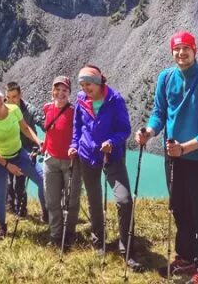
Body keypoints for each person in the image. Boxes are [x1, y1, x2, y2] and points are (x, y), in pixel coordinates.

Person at [136, 31, 198, 284]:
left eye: (186, 48)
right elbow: (159, 113)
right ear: (172, 52)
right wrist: (150, 131)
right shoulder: (166, 79)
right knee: (179, 209)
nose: (181, 53)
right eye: (177, 49)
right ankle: (186, 256)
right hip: (174, 159)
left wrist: (185, 148)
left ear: (195, 50)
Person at [69, 65, 141, 270]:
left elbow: (124, 129)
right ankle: (98, 240)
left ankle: (127, 250)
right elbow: (77, 127)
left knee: (124, 200)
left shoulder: (115, 99)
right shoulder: (81, 99)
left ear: (99, 82)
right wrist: (74, 145)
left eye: (88, 84)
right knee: (94, 199)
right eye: (82, 84)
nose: (85, 88)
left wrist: (112, 141)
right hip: (87, 155)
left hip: (112, 156)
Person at [0, 85, 47, 239]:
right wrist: (6, 165)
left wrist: (39, 142)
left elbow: (25, 128)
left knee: (43, 180)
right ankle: (2, 227)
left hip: (19, 153)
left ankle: (47, 213)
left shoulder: (13, 110)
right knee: (0, 192)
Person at [41, 75, 79, 248]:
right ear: (52, 91)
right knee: (52, 201)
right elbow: (49, 131)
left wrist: (75, 147)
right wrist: (44, 147)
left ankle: (69, 233)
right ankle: (56, 235)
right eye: (57, 89)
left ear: (69, 93)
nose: (60, 93)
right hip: (51, 160)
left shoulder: (75, 111)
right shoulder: (47, 108)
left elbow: (79, 133)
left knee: (71, 201)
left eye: (64, 90)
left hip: (71, 161)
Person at [5, 81, 43, 217]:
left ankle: (21, 210)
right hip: (9, 149)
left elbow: (42, 122)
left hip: (26, 149)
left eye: (14, 97)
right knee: (8, 180)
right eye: (8, 98)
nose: (11, 101)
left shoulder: (30, 109)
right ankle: (10, 208)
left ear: (21, 95)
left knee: (19, 181)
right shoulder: (3, 109)